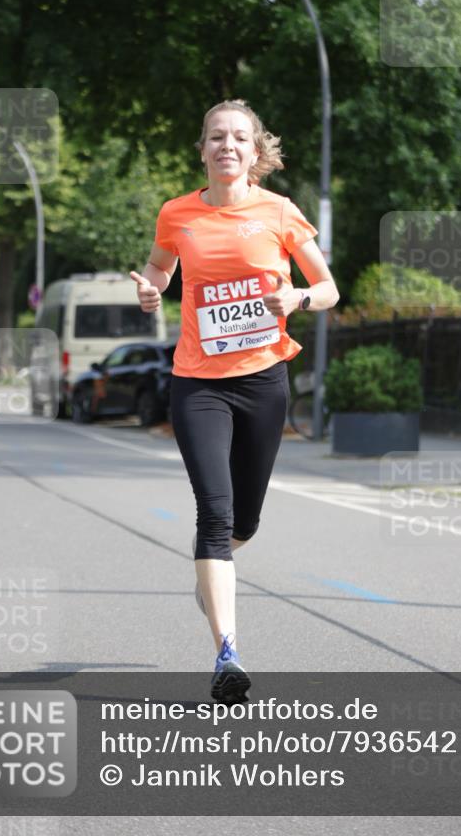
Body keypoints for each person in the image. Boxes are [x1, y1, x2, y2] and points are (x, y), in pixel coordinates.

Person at [131, 99, 339, 703]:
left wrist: (296, 300)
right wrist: (153, 290)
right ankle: (227, 653)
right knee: (215, 515)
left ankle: (211, 571)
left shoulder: (278, 212)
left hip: (263, 380)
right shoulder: (178, 213)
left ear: (255, 152)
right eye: (217, 137)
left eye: (239, 138)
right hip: (198, 382)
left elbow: (327, 288)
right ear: (202, 149)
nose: (227, 145)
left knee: (245, 519)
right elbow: (160, 268)